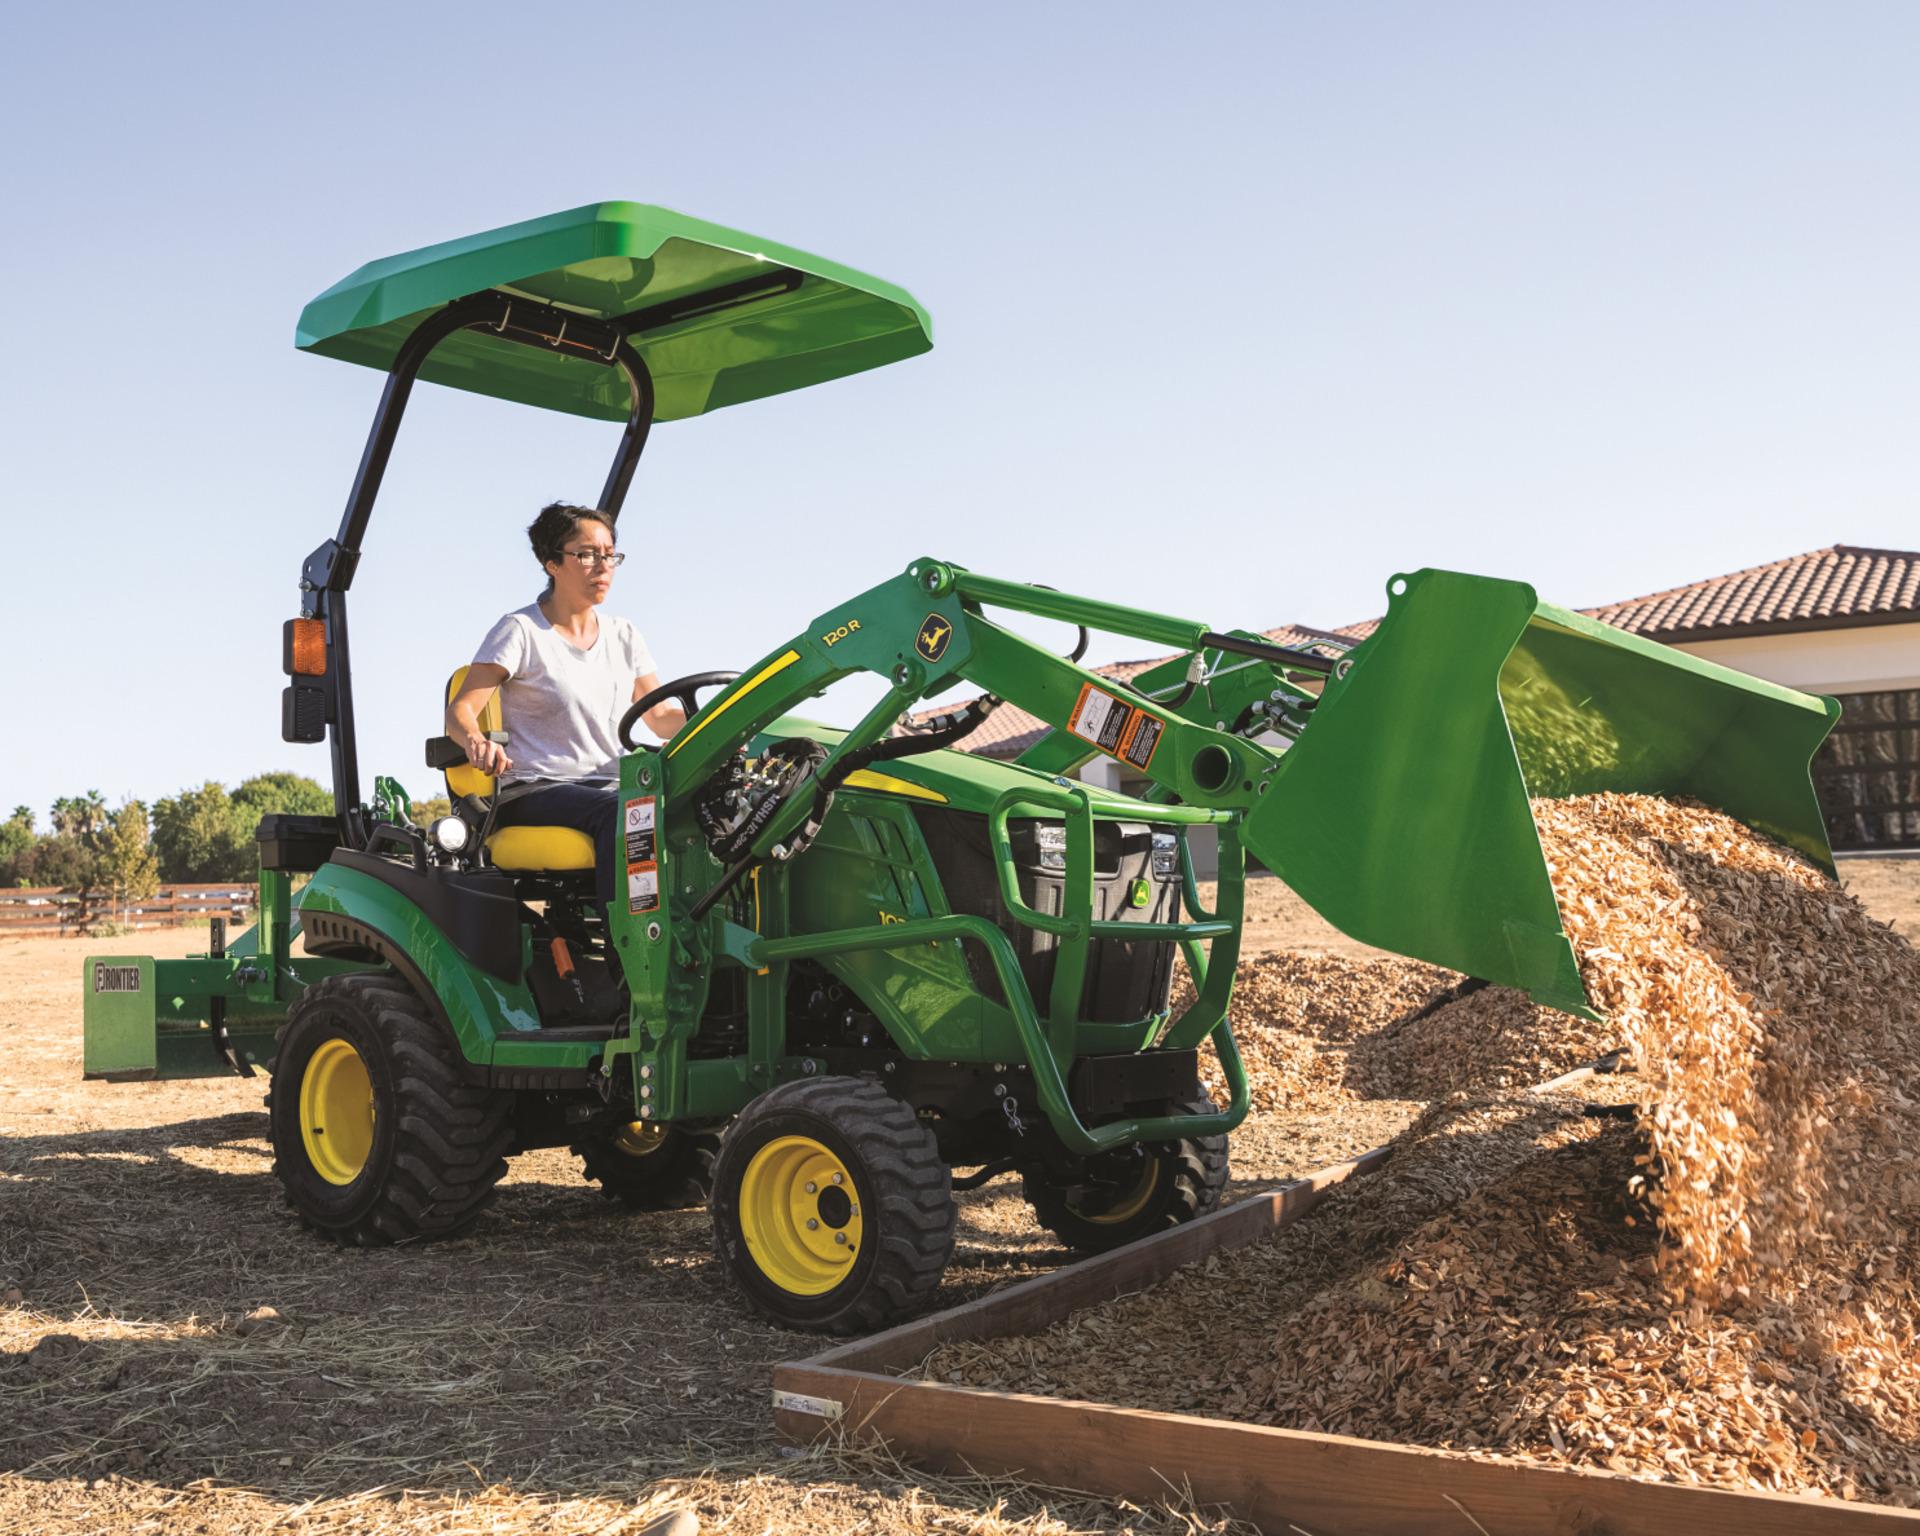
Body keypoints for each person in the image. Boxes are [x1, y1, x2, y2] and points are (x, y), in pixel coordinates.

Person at [447, 502, 686, 910]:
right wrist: (476, 741)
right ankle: (629, 952)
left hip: (609, 785)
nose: (603, 565)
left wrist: (721, 724)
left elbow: (660, 717)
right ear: (551, 563)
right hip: (534, 786)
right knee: (623, 812)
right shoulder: (521, 631)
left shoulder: (624, 635)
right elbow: (461, 711)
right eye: (588, 554)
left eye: (610, 554)